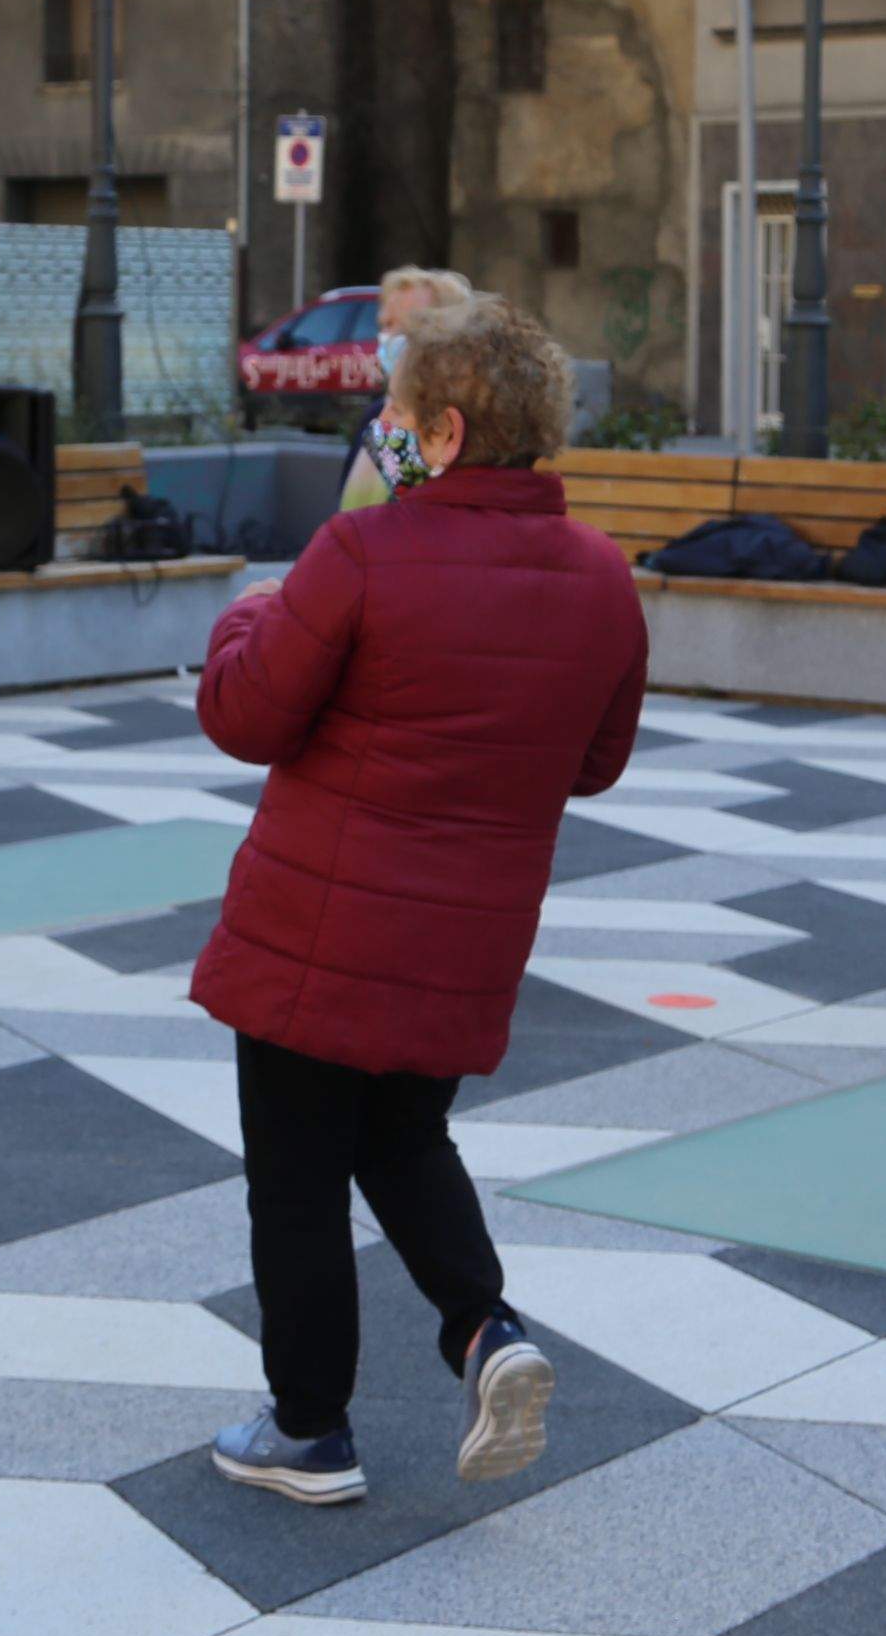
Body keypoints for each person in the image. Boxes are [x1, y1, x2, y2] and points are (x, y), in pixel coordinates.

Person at [191, 293, 649, 1505]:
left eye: (393, 410)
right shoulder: (602, 576)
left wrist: (257, 607)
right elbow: (595, 760)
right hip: (462, 937)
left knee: (295, 1177)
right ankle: (485, 1329)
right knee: (403, 1135)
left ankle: (310, 1429)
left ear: (442, 430)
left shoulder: (358, 552)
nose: (378, 428)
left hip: (315, 935)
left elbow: (244, 711)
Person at [334, 266, 476, 512]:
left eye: (407, 327)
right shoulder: (376, 416)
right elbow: (348, 516)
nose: (387, 337)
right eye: (385, 325)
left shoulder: (462, 426)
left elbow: (369, 517)